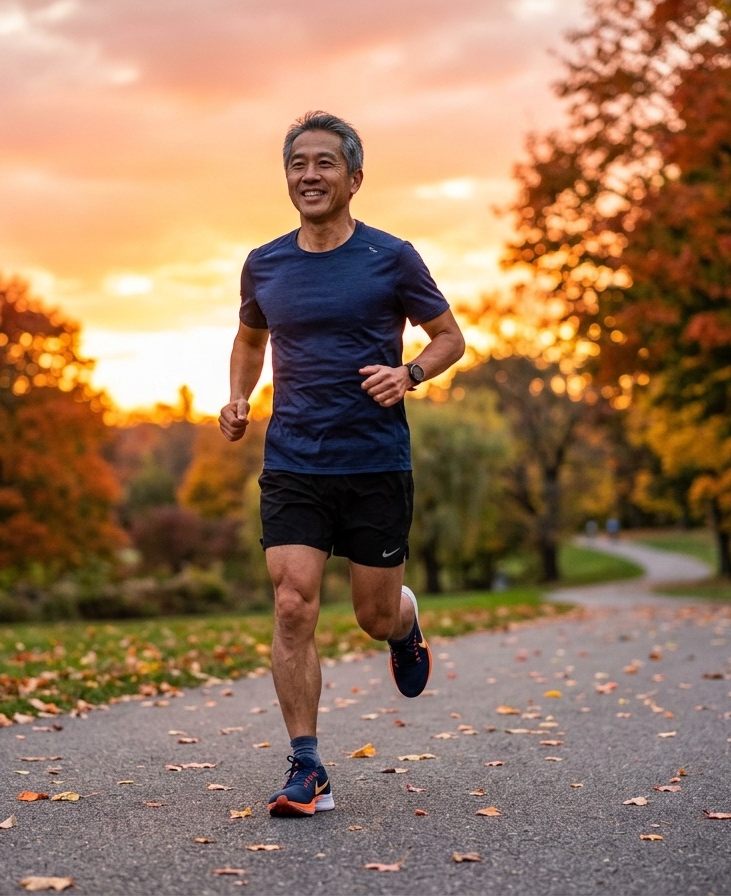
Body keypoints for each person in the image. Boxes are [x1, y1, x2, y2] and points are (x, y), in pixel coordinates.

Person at [219, 111, 466, 818]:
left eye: (325, 163)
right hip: (295, 459)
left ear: (354, 178)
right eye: (298, 163)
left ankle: (405, 618)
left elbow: (451, 338)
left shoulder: (391, 257)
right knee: (292, 602)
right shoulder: (264, 263)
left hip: (374, 461)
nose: (309, 175)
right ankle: (308, 766)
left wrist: (410, 373)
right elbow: (248, 339)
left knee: (371, 614)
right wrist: (238, 397)